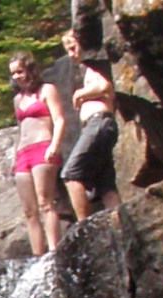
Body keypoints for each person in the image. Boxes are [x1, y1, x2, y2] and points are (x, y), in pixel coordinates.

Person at [60, 31, 121, 223]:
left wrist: (81, 94)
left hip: (99, 122)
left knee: (71, 173)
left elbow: (105, 86)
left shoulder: (94, 65)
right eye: (67, 50)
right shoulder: (88, 69)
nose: (71, 54)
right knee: (105, 186)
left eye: (73, 48)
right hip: (98, 125)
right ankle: (121, 228)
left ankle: (84, 228)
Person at [9, 50, 66, 254]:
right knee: (29, 210)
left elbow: (59, 119)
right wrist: (15, 157)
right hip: (23, 153)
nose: (17, 77)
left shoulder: (47, 90)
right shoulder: (18, 99)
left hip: (43, 147)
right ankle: (37, 254)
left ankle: (54, 250)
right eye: (14, 73)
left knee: (45, 203)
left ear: (30, 70)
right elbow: (20, 129)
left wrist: (55, 145)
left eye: (20, 72)